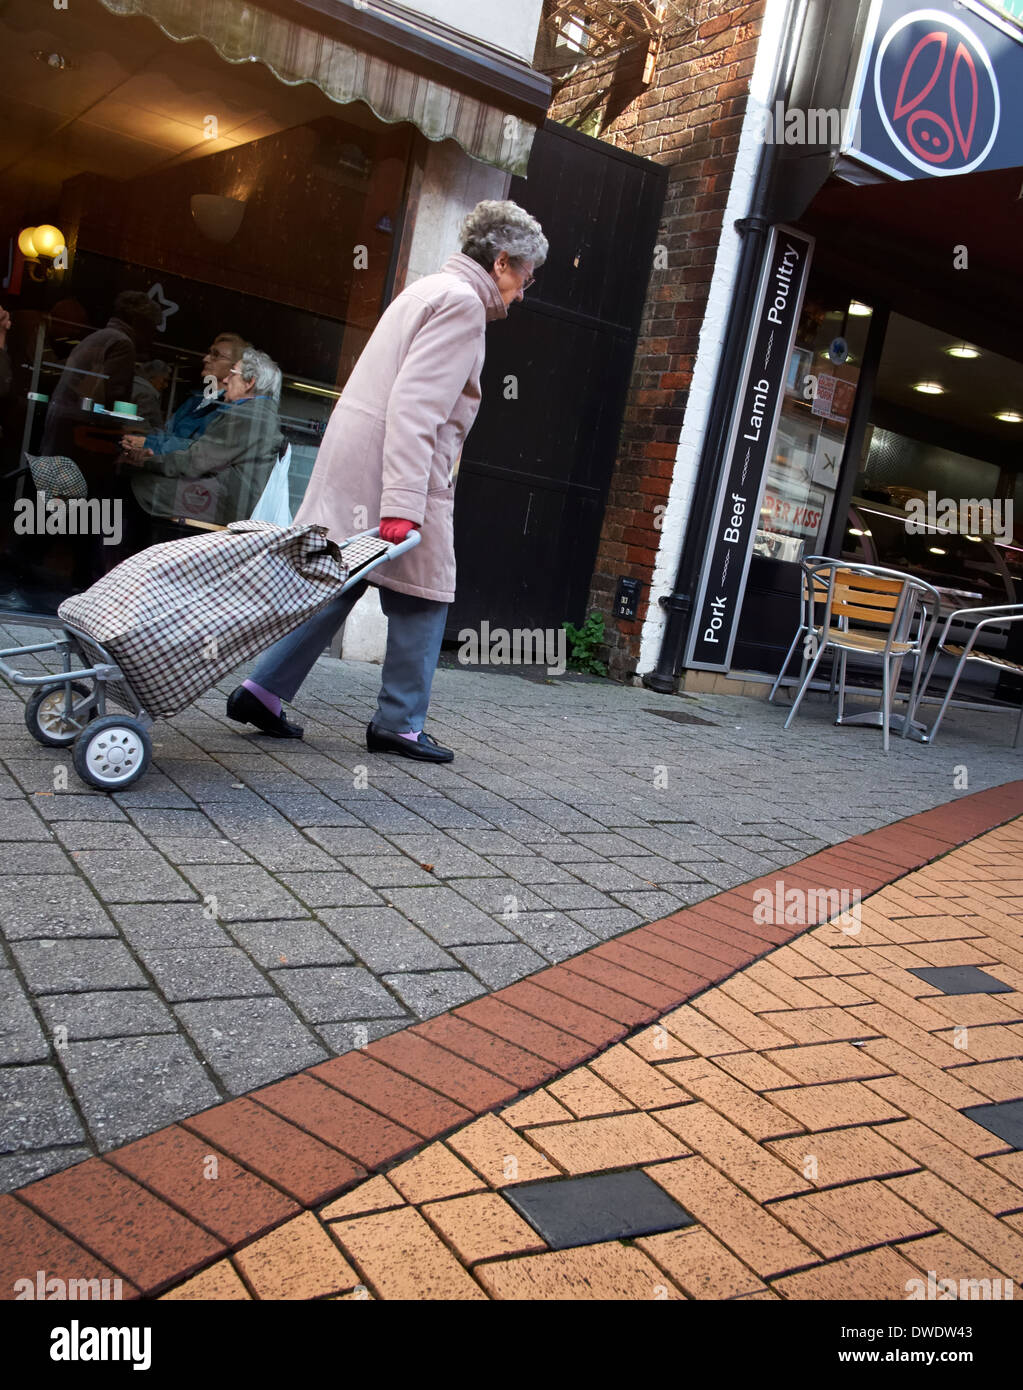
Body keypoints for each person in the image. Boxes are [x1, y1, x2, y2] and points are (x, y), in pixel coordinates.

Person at [227, 199, 548, 765]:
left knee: (340, 575)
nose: (524, 292)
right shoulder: (463, 306)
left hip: (360, 461)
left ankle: (263, 689)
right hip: (399, 472)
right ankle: (398, 725)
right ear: (502, 262)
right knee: (427, 593)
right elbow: (417, 408)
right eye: (527, 276)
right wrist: (404, 503)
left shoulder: (428, 289)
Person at [124, 347, 283, 531]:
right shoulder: (260, 413)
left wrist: (147, 461)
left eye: (232, 374)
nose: (225, 380)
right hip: (227, 496)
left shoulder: (249, 415)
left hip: (224, 503)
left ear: (249, 382)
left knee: (135, 485)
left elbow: (195, 462)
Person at [39, 291, 162, 483]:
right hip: (80, 449)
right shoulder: (122, 344)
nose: (152, 337)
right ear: (139, 322)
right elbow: (113, 404)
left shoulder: (101, 337)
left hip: (62, 441)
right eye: (152, 328)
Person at [121, 332, 248, 460]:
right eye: (209, 353)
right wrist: (140, 439)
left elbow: (204, 451)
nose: (206, 359)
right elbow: (168, 434)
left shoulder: (231, 408)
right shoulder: (196, 400)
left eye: (215, 355)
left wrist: (146, 442)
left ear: (235, 366)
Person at [131, 360, 171, 434]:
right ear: (152, 377)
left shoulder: (131, 386)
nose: (166, 385)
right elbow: (140, 427)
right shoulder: (146, 394)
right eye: (164, 380)